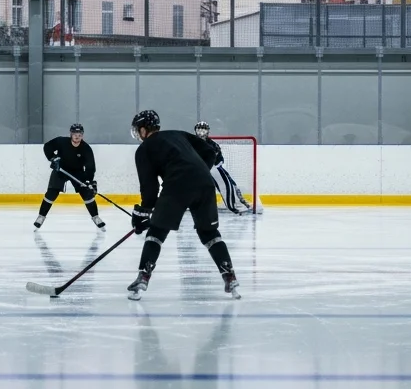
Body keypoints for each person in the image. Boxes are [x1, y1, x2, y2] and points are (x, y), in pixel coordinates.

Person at [127, 109, 240, 300]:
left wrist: (143, 213)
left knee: (156, 232)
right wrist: (197, 170)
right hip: (205, 183)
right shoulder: (178, 134)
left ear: (144, 130)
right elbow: (209, 151)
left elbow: (150, 187)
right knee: (209, 233)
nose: (138, 134)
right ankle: (230, 276)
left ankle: (143, 277)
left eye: (139, 130)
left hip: (177, 185)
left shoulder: (144, 149)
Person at [35, 123, 105, 230]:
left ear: (82, 135)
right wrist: (53, 158)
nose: (77, 136)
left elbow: (90, 167)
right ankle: (41, 216)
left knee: (87, 194)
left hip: (77, 172)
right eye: (75, 134)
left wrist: (89, 181)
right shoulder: (61, 141)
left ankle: (96, 217)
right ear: (71, 134)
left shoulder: (86, 149)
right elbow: (47, 147)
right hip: (60, 169)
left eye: (80, 134)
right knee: (51, 193)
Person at [194, 121, 253, 214]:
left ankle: (238, 203)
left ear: (207, 131)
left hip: (212, 169)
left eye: (203, 130)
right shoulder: (191, 143)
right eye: (199, 130)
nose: (201, 132)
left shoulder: (213, 145)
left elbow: (220, 160)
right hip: (197, 171)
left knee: (230, 183)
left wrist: (214, 164)